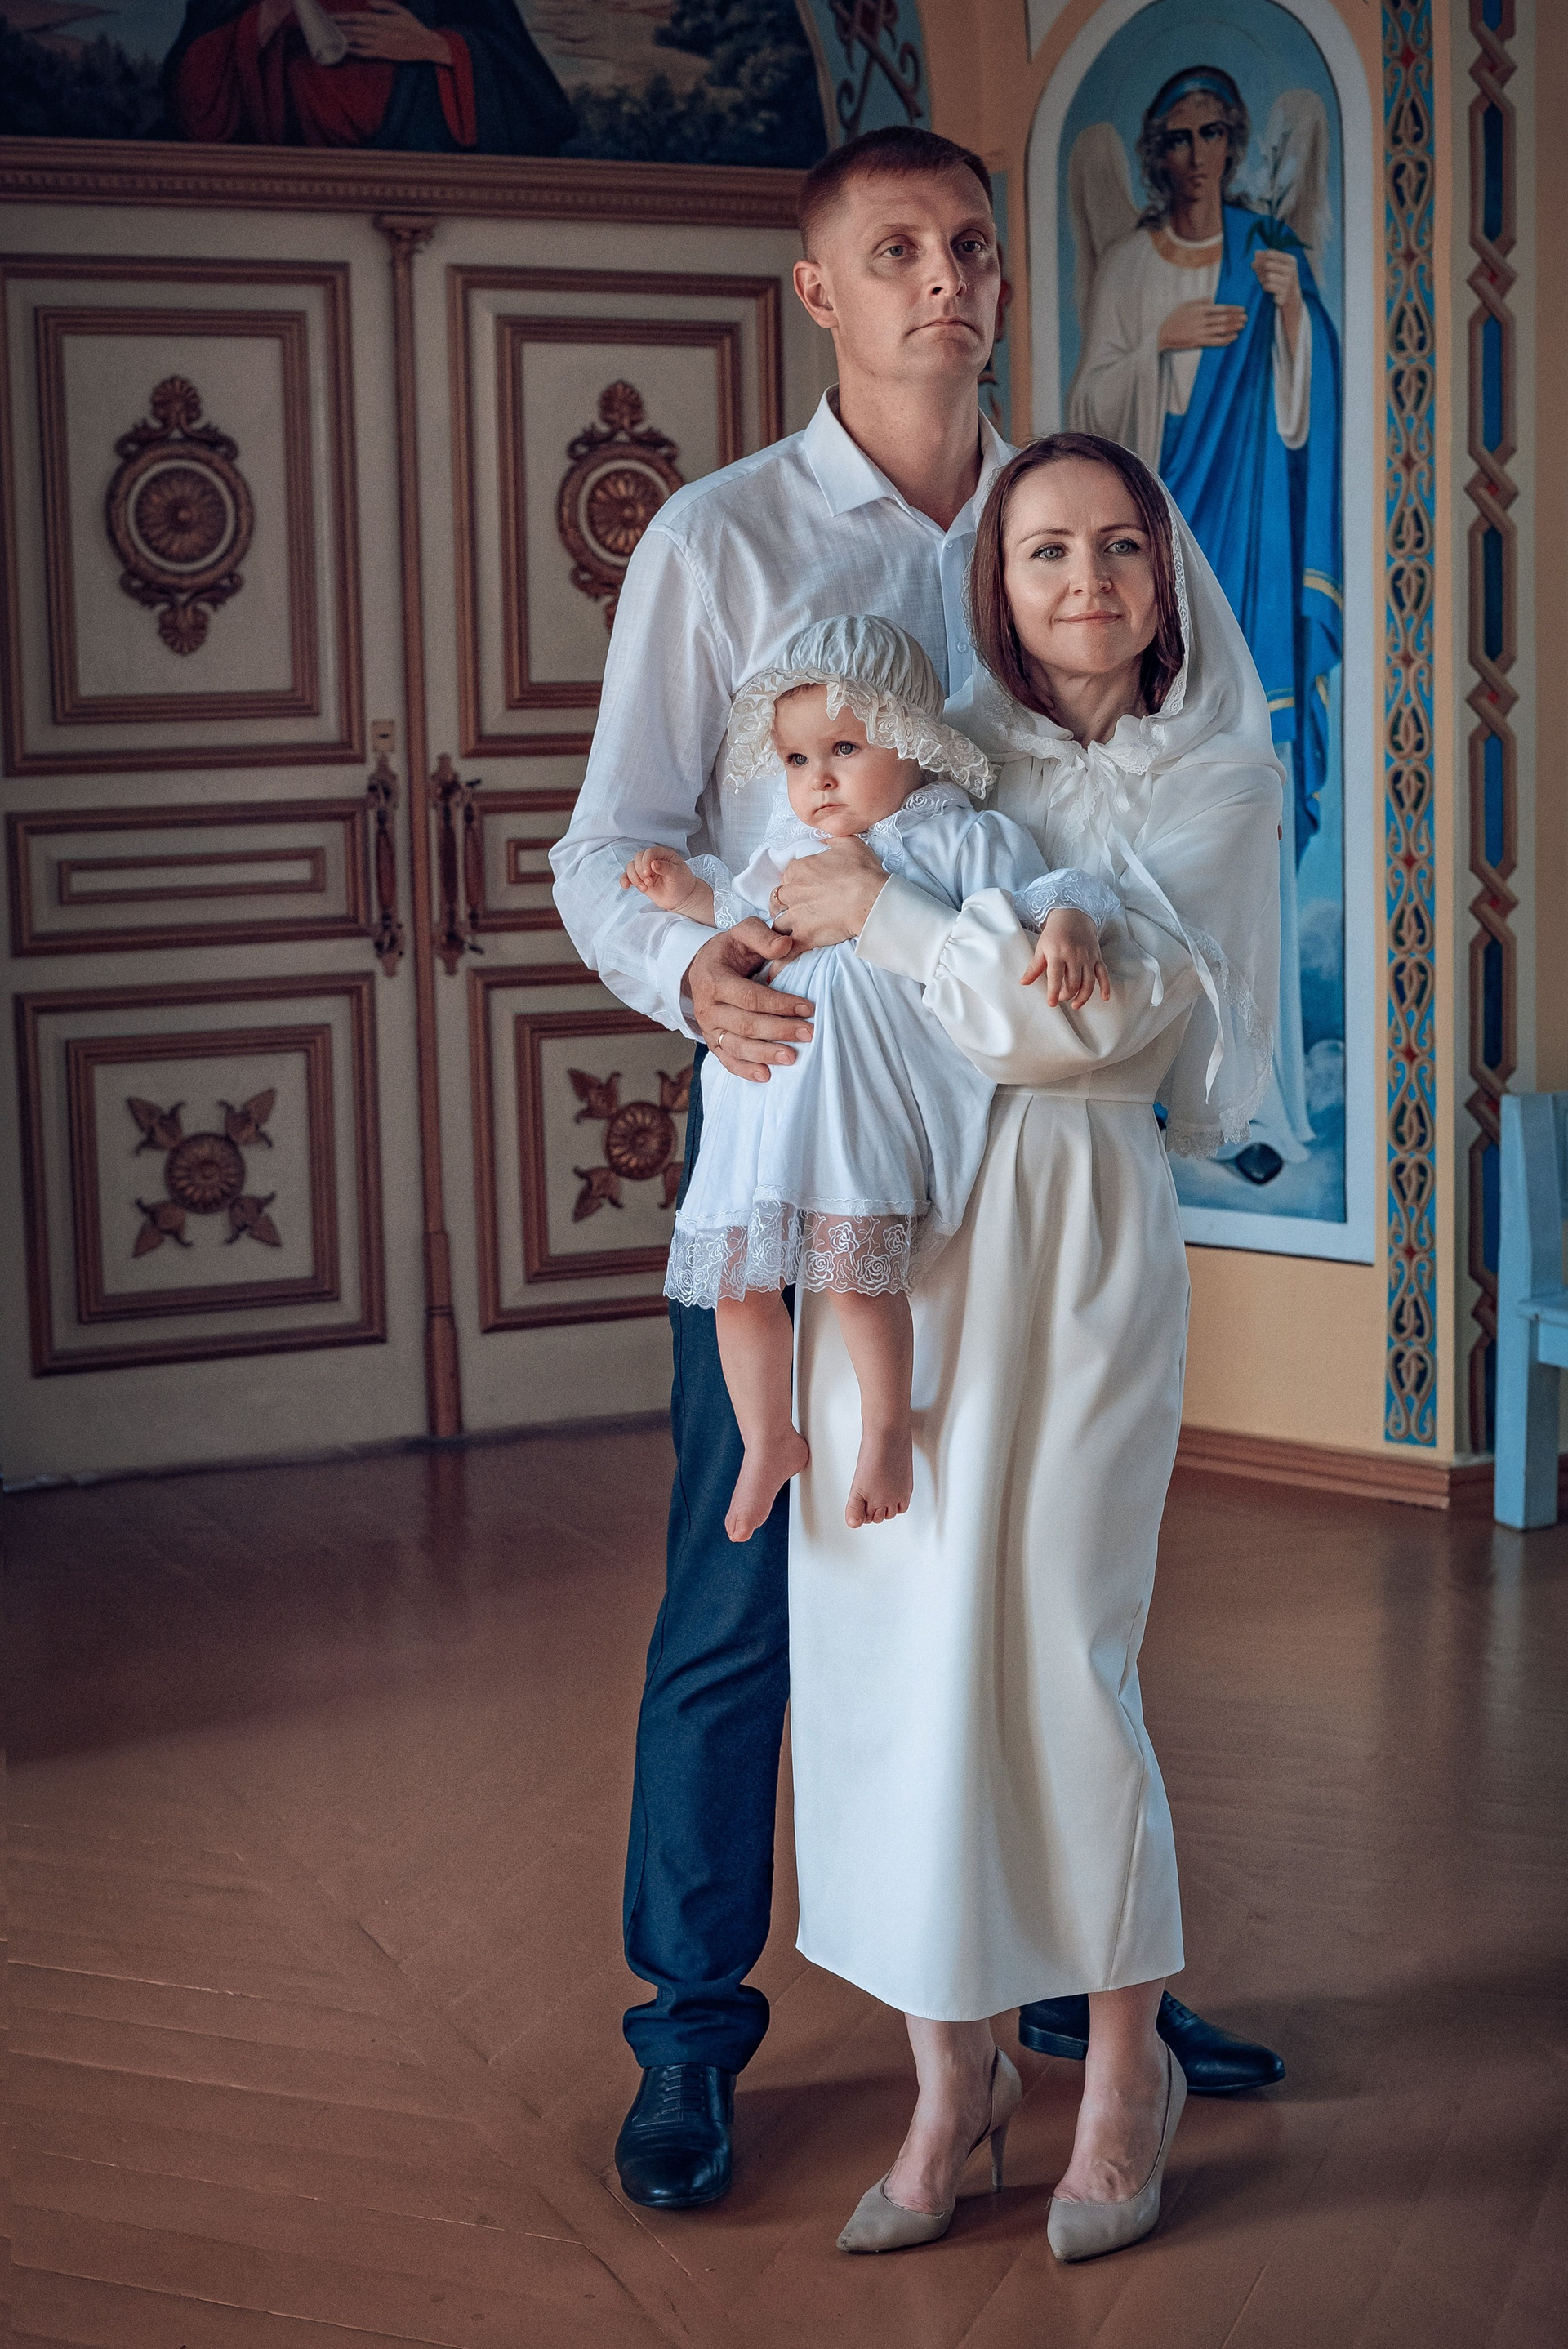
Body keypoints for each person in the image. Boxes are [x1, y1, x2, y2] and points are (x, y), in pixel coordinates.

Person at [551, 123, 1283, 2220]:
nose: (944, 279)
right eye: (895, 251)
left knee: (1019, 1603)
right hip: (806, 1131)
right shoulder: (721, 540)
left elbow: (1108, 821)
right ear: (819, 290)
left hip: (1014, 1175)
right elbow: (608, 846)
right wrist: (693, 971)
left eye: (968, 244)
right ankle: (689, 2032)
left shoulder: (1066, 519)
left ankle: (1069, 2001)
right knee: (743, 1592)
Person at [771, 431, 1281, 2256]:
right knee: (893, 1648)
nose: (1086, 581)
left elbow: (1097, 1031)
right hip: (898, 1230)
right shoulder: (928, 748)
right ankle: (952, 2077)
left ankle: (1124, 2070)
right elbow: (809, 926)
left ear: (1164, 577)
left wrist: (893, 917)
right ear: (994, 579)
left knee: (1067, 1651)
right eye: (1045, 548)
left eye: (1120, 547)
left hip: (1072, 1224)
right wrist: (861, 929)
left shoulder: (1218, 777)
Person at [624, 614, 1114, 1541]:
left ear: (914, 738)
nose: (818, 780)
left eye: (844, 749)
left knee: (856, 1274)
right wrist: (681, 894)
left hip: (858, 1104)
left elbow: (1046, 890)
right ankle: (767, 1438)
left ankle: (887, 1429)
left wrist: (1069, 923)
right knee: (736, 1285)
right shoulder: (792, 849)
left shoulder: (956, 837)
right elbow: (738, 912)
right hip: (766, 1096)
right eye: (797, 760)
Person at [1067, 65, 1342, 1185]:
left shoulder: (1269, 248)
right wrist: (1162, 344)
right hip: (1159, 563)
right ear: (1155, 152)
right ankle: (1154, 1088)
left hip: (1252, 558)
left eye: (1215, 133)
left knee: (1243, 831)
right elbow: (1089, 423)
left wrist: (1292, 311)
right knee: (1141, 827)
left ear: (1235, 142)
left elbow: (1306, 422)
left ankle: (1252, 1101)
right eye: (1177, 138)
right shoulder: (1132, 267)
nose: (1197, 156)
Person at [163, 0, 577, 154]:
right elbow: (193, 110)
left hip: (431, 191)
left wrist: (438, 47)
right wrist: (268, 17)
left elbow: (538, 105)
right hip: (295, 202)